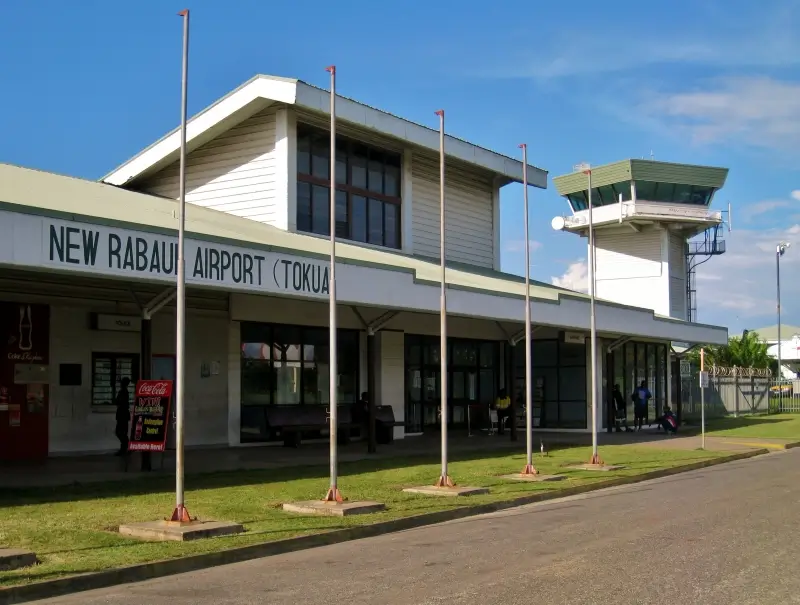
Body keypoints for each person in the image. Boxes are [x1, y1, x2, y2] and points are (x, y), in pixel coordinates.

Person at [114, 377, 131, 456]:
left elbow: (119, 402)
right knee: (121, 432)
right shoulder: (124, 392)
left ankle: (125, 447)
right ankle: (125, 447)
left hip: (122, 414)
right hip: (123, 414)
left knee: (120, 432)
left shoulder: (123, 392)